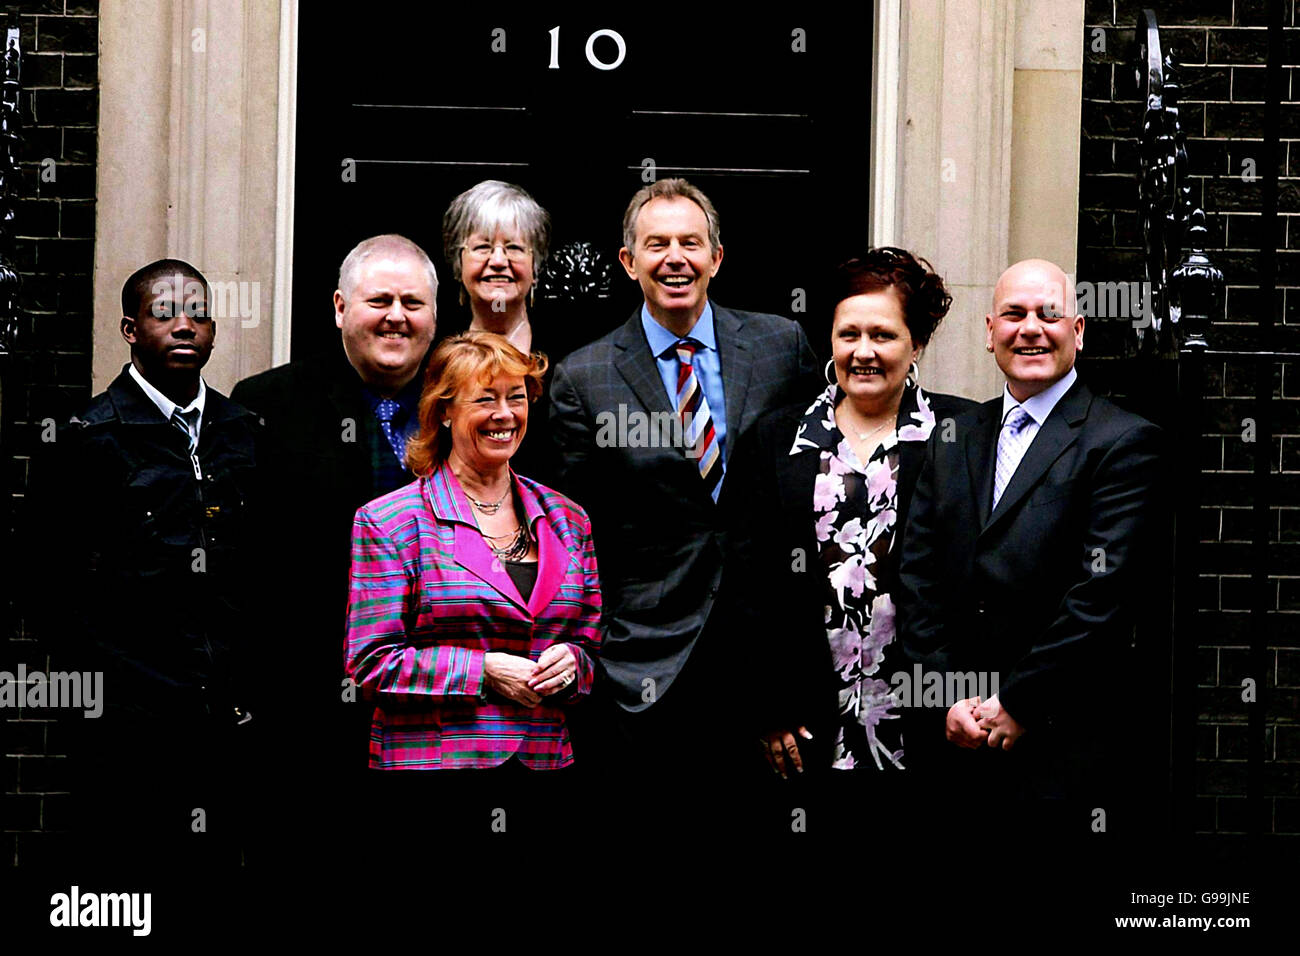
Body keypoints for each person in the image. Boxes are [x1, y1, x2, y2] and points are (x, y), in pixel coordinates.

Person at [549, 178, 819, 789]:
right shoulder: (584, 376)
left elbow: (807, 495)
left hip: (762, 658)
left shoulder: (782, 346)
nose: (676, 258)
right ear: (629, 261)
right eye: (657, 244)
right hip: (645, 661)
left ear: (716, 258)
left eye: (691, 243)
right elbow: (575, 536)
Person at [896, 258, 1163, 827]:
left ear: (1079, 330)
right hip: (953, 742)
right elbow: (918, 574)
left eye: (1049, 314)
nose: (1031, 328)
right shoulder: (954, 435)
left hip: (1061, 746)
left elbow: (1101, 595)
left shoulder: (1122, 441)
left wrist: (1017, 702)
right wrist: (949, 696)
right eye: (1014, 315)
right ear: (991, 332)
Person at [29, 259, 260, 866]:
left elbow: (265, 575)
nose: (185, 326)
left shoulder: (246, 433)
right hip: (132, 729)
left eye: (199, 313)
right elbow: (51, 591)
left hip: (230, 721)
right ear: (131, 329)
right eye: (165, 312)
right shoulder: (89, 437)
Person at [726, 249, 975, 785]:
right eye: (849, 334)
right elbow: (747, 586)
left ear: (917, 343)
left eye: (883, 335)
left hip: (927, 726)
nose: (864, 352)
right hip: (805, 729)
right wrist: (768, 707)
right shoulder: (776, 440)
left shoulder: (962, 435)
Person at [229, 234, 438, 856]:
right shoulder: (268, 404)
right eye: (380, 300)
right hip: (309, 709)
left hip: (442, 708)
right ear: (341, 308)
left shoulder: (465, 403)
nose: (397, 316)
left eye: (413, 302)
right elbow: (245, 564)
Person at [343, 331, 600, 777]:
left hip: (544, 765)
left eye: (516, 398)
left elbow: (591, 642)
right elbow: (370, 664)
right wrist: (483, 670)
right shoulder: (389, 521)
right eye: (484, 400)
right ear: (444, 410)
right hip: (434, 776)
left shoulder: (568, 518)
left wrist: (574, 664)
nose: (504, 414)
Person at [439, 180, 559, 482]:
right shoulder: (435, 352)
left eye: (515, 248)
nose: (498, 261)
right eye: (481, 248)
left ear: (536, 265)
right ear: (458, 262)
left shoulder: (570, 354)